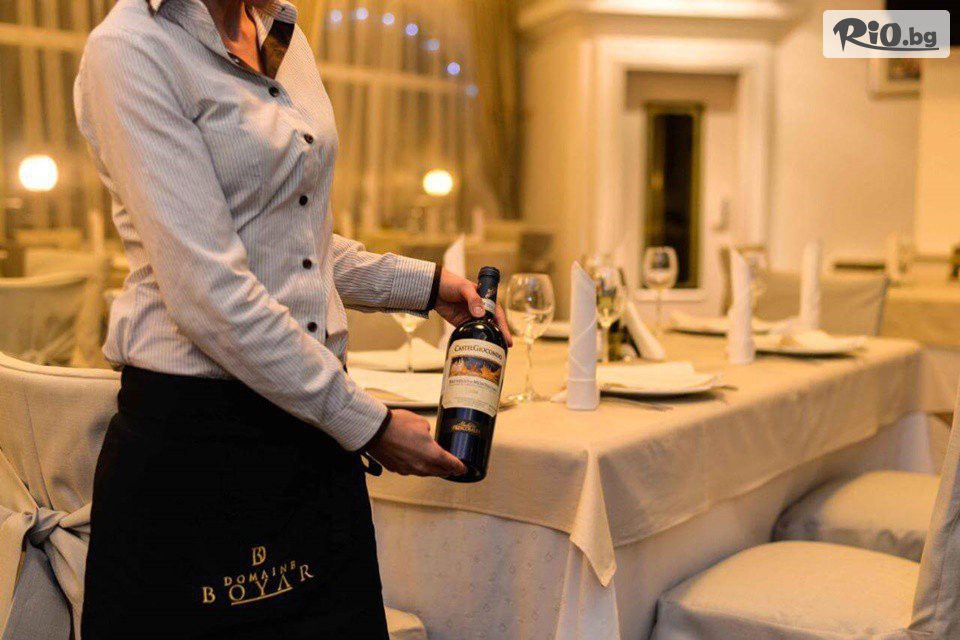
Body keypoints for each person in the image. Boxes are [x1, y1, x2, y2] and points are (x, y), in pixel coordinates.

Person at [73, 1, 511, 637]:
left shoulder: (282, 34)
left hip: (307, 434)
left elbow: (294, 243)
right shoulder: (132, 48)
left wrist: (424, 284)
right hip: (198, 441)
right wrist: (368, 425)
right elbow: (210, 292)